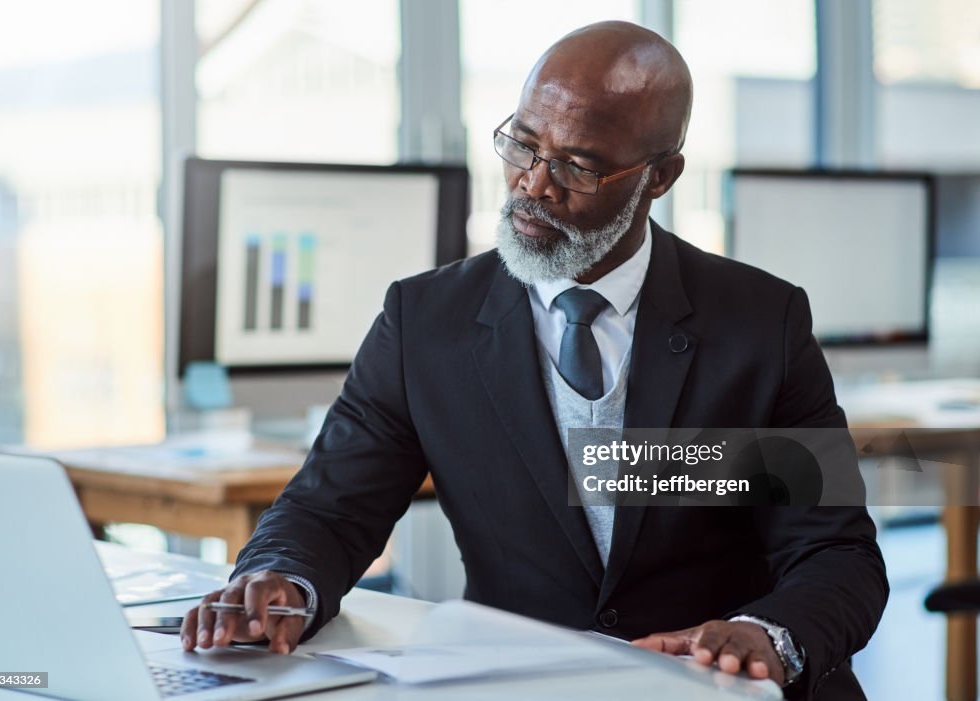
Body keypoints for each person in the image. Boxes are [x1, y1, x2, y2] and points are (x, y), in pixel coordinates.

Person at [181, 21, 887, 700]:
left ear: (660, 176)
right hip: (520, 685)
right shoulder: (424, 321)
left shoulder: (761, 322)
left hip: (713, 690)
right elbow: (330, 509)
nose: (533, 184)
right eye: (522, 145)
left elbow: (838, 555)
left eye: (578, 165)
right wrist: (280, 578)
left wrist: (767, 636)